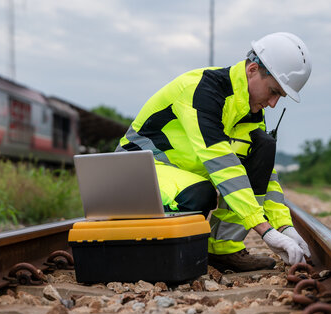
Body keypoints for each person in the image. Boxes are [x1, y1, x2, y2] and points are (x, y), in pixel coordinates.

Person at [116, 32, 312, 272]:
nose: (273, 103)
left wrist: (283, 226)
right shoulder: (202, 91)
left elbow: (264, 174)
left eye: (279, 97)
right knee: (200, 194)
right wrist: (265, 231)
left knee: (263, 147)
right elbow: (221, 164)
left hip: (183, 174)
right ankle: (149, 255)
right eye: (273, 91)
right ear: (252, 70)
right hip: (138, 170)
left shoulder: (249, 112)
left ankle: (223, 249)